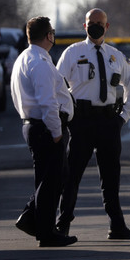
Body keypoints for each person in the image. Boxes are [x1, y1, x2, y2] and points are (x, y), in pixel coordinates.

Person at [55, 8, 130, 240]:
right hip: (81, 122)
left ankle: (117, 225)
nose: (95, 26)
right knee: (72, 175)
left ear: (107, 26)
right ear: (84, 26)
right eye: (91, 23)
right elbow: (57, 86)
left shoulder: (116, 56)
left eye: (99, 23)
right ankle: (62, 224)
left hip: (108, 122)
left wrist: (122, 119)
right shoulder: (72, 53)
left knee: (111, 176)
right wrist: (67, 116)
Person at [11, 17, 77, 247]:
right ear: (49, 35)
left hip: (35, 125)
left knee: (50, 178)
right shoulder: (38, 62)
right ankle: (46, 232)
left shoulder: (25, 58)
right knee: (52, 181)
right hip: (46, 127)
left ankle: (32, 218)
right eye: (53, 32)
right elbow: (47, 102)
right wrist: (56, 132)